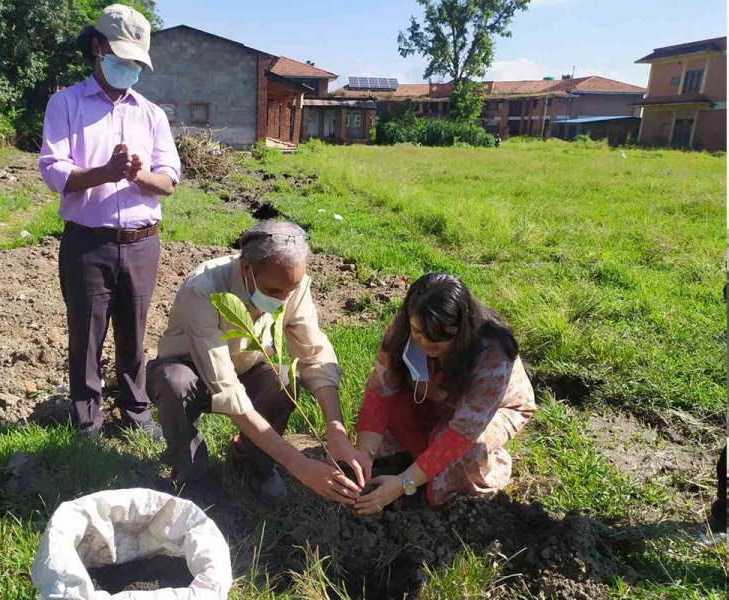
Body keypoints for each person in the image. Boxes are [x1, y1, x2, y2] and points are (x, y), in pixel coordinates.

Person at [147, 220, 370, 506]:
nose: (284, 299)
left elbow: (314, 354)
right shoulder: (204, 289)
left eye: (292, 289)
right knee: (174, 383)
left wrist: (336, 431)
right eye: (275, 291)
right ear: (246, 268)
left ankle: (253, 461)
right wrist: (298, 464)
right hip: (192, 367)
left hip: (247, 365)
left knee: (285, 382)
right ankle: (191, 470)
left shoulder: (291, 284)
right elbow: (224, 386)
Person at [39, 4, 179, 437]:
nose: (130, 68)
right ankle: (87, 419)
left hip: (142, 241)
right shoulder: (65, 104)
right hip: (88, 241)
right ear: (98, 48)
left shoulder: (151, 113)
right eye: (123, 58)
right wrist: (106, 172)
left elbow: (169, 179)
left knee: (134, 331)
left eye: (137, 62)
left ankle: (136, 410)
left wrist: (137, 175)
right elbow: (53, 170)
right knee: (86, 332)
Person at [353, 273, 536, 514]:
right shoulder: (406, 327)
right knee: (397, 412)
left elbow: (462, 433)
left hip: (494, 409)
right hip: (435, 393)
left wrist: (403, 484)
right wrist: (364, 456)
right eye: (418, 333)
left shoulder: (493, 352)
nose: (426, 342)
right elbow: (380, 392)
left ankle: (451, 478)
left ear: (462, 328)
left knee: (464, 453)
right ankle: (426, 464)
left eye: (439, 339)